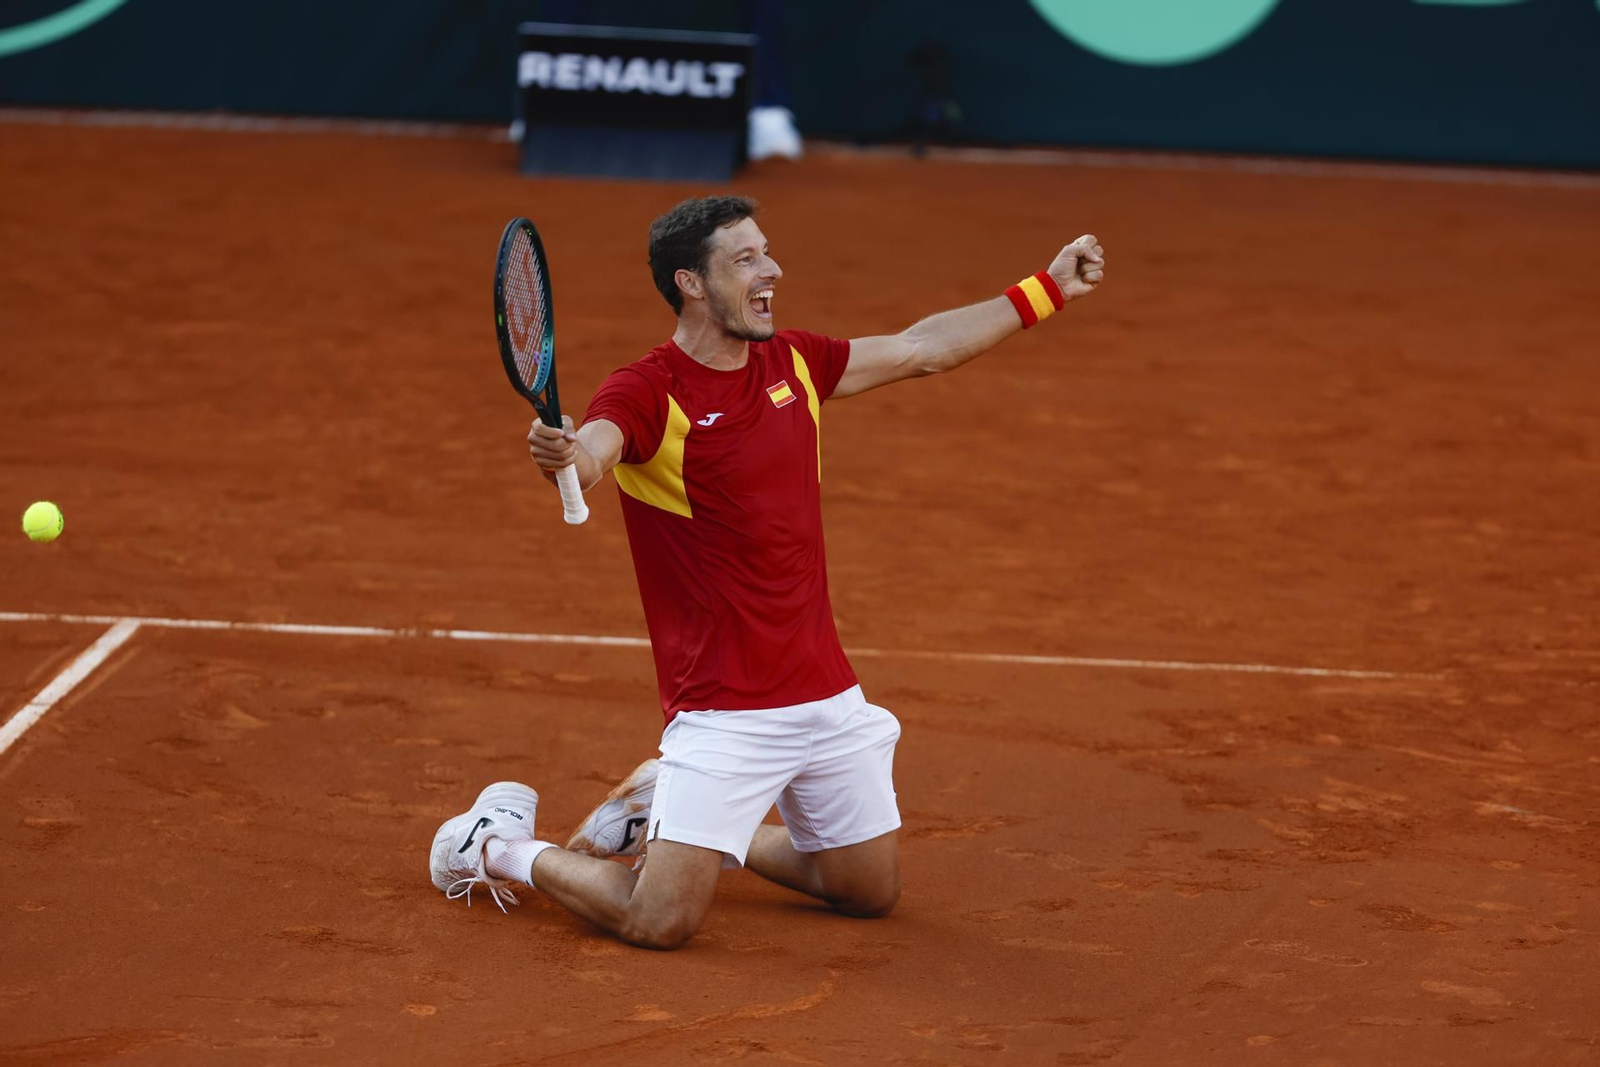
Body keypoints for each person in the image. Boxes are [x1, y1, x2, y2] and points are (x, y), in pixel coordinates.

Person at [429, 196, 1105, 949]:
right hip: (724, 708)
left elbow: (922, 347)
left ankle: (672, 815)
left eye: (766, 252)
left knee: (866, 889)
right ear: (690, 281)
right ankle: (493, 843)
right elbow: (595, 450)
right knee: (658, 919)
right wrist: (568, 457)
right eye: (746, 259)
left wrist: (1044, 288)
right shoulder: (648, 390)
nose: (772, 269)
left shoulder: (796, 362)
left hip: (824, 692)